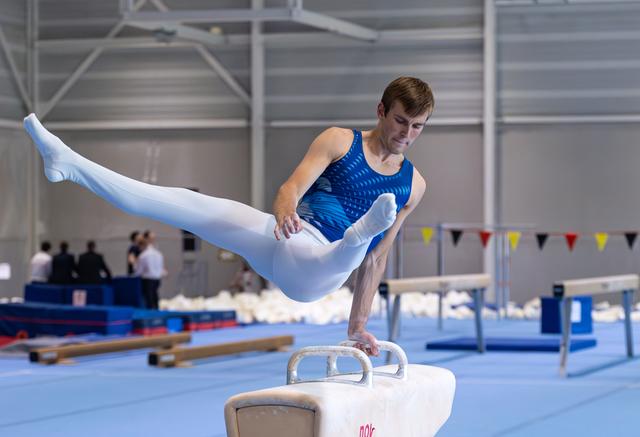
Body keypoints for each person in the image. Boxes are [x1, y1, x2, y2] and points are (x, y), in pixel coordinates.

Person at [23, 76, 433, 355]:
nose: (406, 134)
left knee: (358, 247)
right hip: (284, 238)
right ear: (380, 110)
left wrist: (357, 326)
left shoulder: (412, 186)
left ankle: (361, 231)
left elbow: (377, 259)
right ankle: (69, 162)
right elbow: (291, 187)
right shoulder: (339, 141)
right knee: (184, 203)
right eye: (400, 120)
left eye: (417, 127)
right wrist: (286, 208)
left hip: (320, 269)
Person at [135, 230, 165, 309]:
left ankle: (151, 314)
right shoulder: (159, 254)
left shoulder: (143, 256)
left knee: (149, 298)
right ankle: (156, 311)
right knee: (155, 295)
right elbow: (161, 267)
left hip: (147, 279)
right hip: (157, 278)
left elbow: (139, 271)